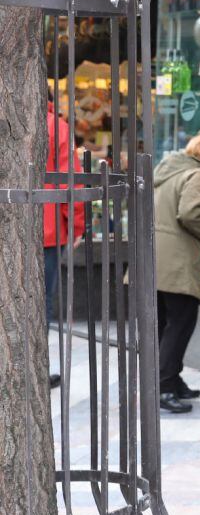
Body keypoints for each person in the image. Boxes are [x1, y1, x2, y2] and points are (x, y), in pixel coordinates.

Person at [154, 132, 200, 414]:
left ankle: (169, 379)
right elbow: (191, 213)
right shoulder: (197, 175)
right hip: (177, 263)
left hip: (155, 259)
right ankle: (165, 386)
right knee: (181, 324)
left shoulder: (167, 171)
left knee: (163, 325)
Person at [44, 100, 86, 388]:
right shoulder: (55, 126)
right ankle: (31, 369)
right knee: (39, 302)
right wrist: (76, 225)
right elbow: (70, 182)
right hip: (45, 230)